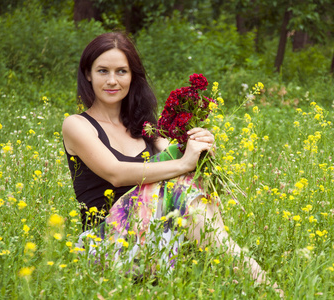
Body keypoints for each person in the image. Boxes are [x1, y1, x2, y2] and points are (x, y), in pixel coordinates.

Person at [63, 32, 282, 296]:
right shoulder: (77, 125)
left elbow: (184, 161)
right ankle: (264, 286)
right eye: (102, 71)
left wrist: (199, 147)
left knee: (187, 183)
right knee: (179, 183)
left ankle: (241, 271)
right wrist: (184, 164)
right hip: (105, 246)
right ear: (88, 74)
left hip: (152, 239)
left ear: (132, 77)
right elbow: (116, 174)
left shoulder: (143, 127)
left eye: (121, 71)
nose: (112, 80)